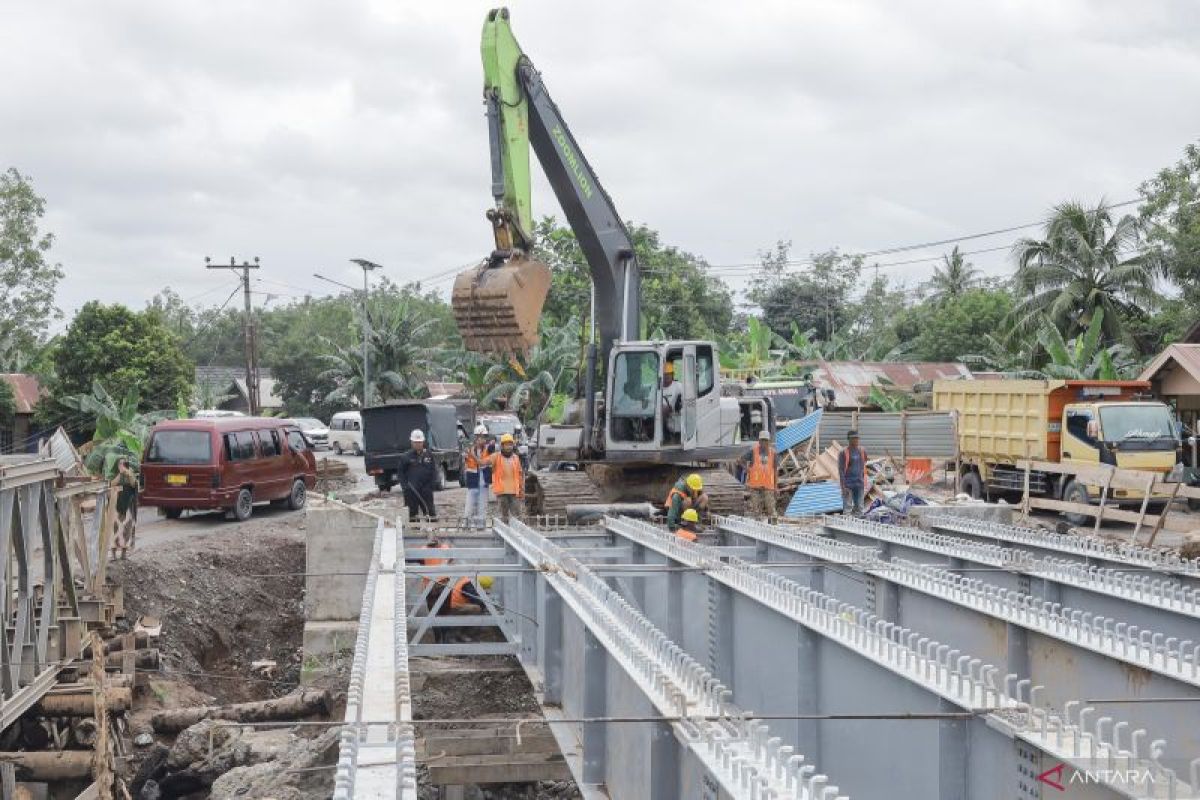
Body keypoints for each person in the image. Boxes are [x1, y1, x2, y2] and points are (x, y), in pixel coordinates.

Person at [399, 429, 438, 522]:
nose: (418, 444)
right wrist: (405, 488)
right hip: (412, 491)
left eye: (419, 442)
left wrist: (431, 486)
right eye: (415, 442)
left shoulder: (428, 455)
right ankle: (414, 533)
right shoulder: (406, 457)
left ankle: (432, 531)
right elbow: (401, 474)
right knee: (412, 514)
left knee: (430, 512)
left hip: (426, 490)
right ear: (411, 443)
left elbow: (433, 471)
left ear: (423, 442)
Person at [742, 429, 777, 522]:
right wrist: (747, 470)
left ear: (769, 441)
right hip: (755, 485)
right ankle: (758, 525)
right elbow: (740, 460)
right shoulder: (753, 451)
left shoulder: (773, 453)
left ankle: (773, 526)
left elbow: (775, 470)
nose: (764, 442)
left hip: (768, 485)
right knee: (756, 510)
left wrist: (776, 486)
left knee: (771, 508)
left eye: (766, 440)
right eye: (762, 440)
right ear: (759, 441)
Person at [462, 424, 494, 527]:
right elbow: (465, 461)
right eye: (480, 437)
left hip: (483, 483)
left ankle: (480, 527)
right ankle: (466, 526)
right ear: (476, 437)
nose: (482, 439)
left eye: (484, 437)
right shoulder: (469, 450)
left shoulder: (489, 448)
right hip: (472, 483)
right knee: (469, 507)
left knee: (482, 507)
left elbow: (493, 447)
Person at [489, 434, 524, 523]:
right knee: (503, 517)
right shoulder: (496, 457)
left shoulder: (516, 458)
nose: (508, 447)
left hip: (514, 492)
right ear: (502, 446)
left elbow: (520, 474)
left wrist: (521, 489)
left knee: (517, 516)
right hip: (502, 492)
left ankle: (517, 533)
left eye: (510, 444)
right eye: (506, 445)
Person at [111, 457, 139, 559]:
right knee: (115, 529)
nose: (121, 466)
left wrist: (129, 474)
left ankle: (123, 553)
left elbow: (134, 484)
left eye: (123, 464)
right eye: (120, 464)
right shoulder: (115, 475)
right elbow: (111, 484)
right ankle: (113, 554)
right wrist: (120, 475)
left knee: (127, 529)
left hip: (127, 506)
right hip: (116, 506)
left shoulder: (130, 474)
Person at [839, 429, 868, 515]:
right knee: (847, 508)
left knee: (859, 508)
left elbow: (864, 463)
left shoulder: (862, 451)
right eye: (853, 438)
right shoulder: (843, 452)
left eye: (857, 438)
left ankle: (859, 525)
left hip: (859, 483)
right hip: (848, 484)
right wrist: (843, 486)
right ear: (849, 439)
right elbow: (841, 470)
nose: (856, 440)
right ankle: (847, 524)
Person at [661, 361, 682, 442]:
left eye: (669, 374)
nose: (667, 376)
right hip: (659, 414)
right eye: (665, 374)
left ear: (672, 374)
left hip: (673, 416)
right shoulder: (657, 387)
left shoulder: (678, 386)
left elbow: (688, 394)